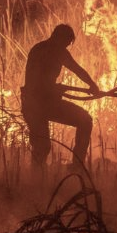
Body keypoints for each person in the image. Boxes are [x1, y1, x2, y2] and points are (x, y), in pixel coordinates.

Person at [21, 24, 101, 170]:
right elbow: (35, 80)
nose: (67, 46)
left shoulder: (58, 51)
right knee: (42, 146)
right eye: (67, 42)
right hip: (34, 104)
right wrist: (54, 88)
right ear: (58, 37)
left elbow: (77, 70)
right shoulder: (42, 51)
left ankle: (75, 167)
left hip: (45, 102)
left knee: (85, 121)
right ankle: (37, 180)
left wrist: (93, 86)